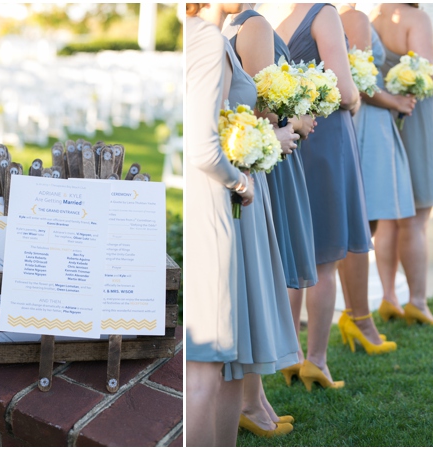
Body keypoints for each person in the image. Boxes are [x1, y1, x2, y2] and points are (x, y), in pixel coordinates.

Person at [260, 2, 372, 390]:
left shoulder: (283, 21)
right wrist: (358, 97)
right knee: (325, 259)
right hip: (327, 141)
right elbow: (342, 88)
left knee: (298, 254)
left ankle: (290, 356)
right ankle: (317, 361)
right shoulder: (323, 13)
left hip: (296, 146)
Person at [221, 3, 306, 437]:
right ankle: (249, 403)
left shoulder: (232, 24)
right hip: (249, 164)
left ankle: (256, 398)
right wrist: (295, 119)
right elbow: (260, 110)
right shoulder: (252, 25)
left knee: (254, 282)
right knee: (253, 282)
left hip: (248, 160)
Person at [184, 3, 254, 446]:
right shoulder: (208, 40)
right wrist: (241, 181)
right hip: (210, 205)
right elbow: (204, 149)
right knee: (204, 373)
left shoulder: (189, 34)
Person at [371, 3, 433, 326]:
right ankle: (418, 302)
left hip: (387, 120)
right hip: (418, 119)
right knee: (414, 221)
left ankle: (388, 298)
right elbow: (427, 74)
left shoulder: (376, 19)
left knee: (389, 219)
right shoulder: (417, 19)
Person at [335, 3, 408, 354]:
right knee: (363, 227)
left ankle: (354, 314)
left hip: (369, 124)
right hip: (366, 124)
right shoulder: (355, 18)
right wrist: (395, 101)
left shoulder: (348, 17)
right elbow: (359, 83)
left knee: (364, 225)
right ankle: (359, 317)